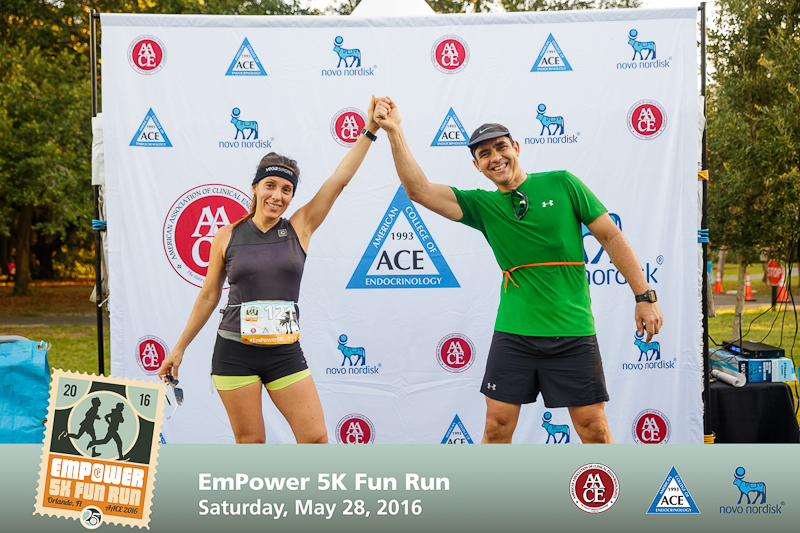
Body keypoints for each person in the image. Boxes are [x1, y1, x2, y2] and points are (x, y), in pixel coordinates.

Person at [373, 97, 663, 444]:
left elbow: (611, 236)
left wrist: (644, 296)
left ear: (517, 148)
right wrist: (394, 130)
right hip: (514, 335)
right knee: (496, 427)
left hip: (572, 330)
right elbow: (418, 190)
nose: (495, 157)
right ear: (477, 166)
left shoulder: (562, 183)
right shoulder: (482, 205)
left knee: (594, 428)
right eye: (484, 154)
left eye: (501, 147)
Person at [158, 96, 380, 444]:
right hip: (234, 351)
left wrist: (370, 129)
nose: (278, 196)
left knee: (315, 439)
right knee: (251, 445)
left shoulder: (300, 227)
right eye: (271, 186)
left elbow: (339, 180)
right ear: (256, 187)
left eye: (287, 190)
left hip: (283, 351)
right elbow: (209, 295)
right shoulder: (227, 235)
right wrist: (179, 348)